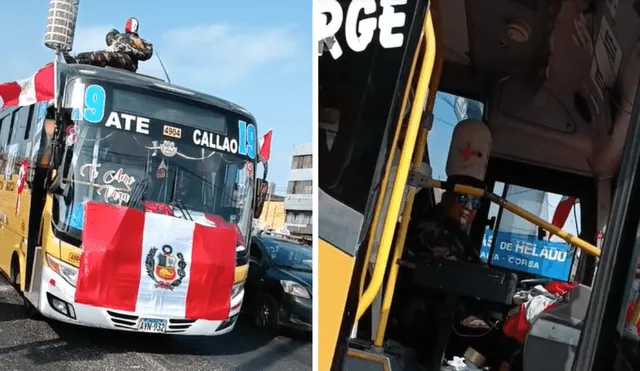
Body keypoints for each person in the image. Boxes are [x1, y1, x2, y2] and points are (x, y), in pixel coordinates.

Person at [66, 17, 153, 72]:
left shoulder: (140, 41)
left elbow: (147, 53)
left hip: (128, 61)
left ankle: (77, 61)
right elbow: (109, 37)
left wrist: (131, 50)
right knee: (98, 54)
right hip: (116, 53)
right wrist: (115, 42)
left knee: (106, 56)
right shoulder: (120, 36)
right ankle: (76, 59)